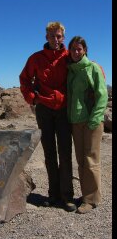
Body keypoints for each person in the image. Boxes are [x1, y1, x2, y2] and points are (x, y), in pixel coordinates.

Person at [19, 22, 76, 212]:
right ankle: (53, 194)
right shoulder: (36, 58)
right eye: (52, 36)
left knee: (65, 152)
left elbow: (85, 70)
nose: (56, 39)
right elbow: (24, 79)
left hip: (64, 109)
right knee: (50, 152)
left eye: (59, 36)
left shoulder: (69, 57)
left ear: (63, 37)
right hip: (44, 108)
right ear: (46, 37)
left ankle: (67, 196)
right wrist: (33, 98)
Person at [67, 36, 108, 214]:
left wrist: (95, 118)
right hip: (76, 121)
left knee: (91, 159)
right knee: (81, 160)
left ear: (85, 50)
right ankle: (86, 195)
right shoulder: (72, 70)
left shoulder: (93, 68)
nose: (76, 52)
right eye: (73, 49)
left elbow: (102, 94)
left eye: (79, 49)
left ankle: (91, 200)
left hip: (91, 120)